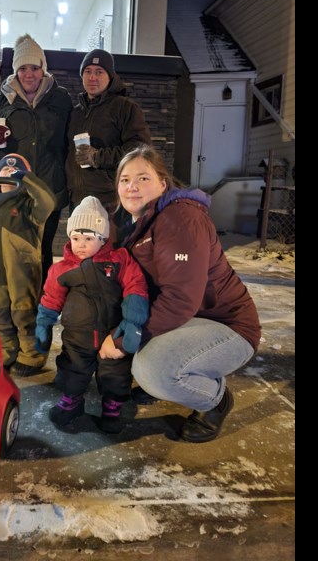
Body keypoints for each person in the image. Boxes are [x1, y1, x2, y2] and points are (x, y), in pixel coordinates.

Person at [111, 144, 261, 443]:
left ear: (163, 183)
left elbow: (180, 298)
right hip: (192, 319)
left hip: (228, 326)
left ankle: (216, 400)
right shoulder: (141, 222)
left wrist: (124, 341)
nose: (132, 187)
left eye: (143, 178)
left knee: (155, 370)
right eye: (125, 180)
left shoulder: (180, 218)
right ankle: (175, 371)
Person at [35, 196, 149, 434]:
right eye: (75, 238)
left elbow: (135, 286)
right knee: (72, 369)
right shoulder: (61, 269)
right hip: (77, 336)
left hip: (111, 333)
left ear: (103, 238)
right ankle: (71, 402)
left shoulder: (119, 261)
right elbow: (51, 298)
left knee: (115, 373)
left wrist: (132, 319)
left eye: (88, 238)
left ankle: (112, 407)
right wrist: (44, 323)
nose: (81, 245)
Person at [0, 34, 73, 283]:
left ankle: (42, 304)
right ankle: (19, 302)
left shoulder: (61, 98)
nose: (29, 74)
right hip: (14, 190)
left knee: (43, 249)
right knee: (17, 247)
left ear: (43, 69)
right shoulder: (1, 100)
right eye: (23, 68)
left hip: (49, 188)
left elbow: (70, 142)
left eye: (34, 67)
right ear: (16, 71)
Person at [65, 48, 151, 240]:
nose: (93, 77)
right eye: (88, 72)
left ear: (110, 76)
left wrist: (97, 157)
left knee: (110, 257)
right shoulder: (76, 112)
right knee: (83, 257)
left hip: (110, 200)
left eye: (99, 72)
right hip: (78, 199)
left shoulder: (124, 107)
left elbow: (141, 149)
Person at [0, 153, 56, 375]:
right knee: (0, 309)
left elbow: (48, 201)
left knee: (24, 309)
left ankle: (32, 355)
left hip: (23, 268)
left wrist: (26, 178)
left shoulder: (30, 206)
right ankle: (7, 349)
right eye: (4, 170)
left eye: (15, 169)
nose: (9, 171)